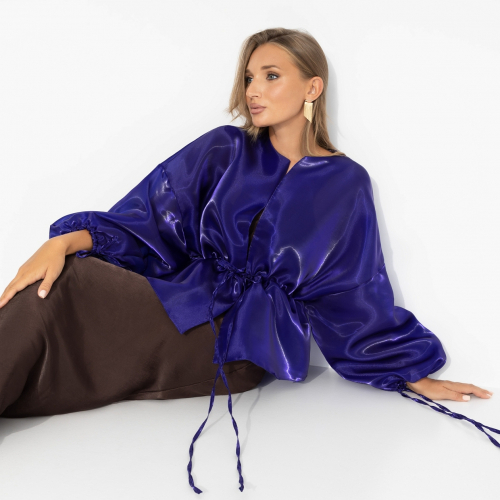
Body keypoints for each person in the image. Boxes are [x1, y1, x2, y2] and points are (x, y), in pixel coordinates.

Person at [0, 27, 498, 495]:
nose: (253, 90)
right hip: (182, 300)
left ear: (312, 87)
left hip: (240, 347)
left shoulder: (346, 183)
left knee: (68, 289)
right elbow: (150, 217)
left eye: (271, 76)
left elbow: (353, 289)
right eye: (249, 77)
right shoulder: (225, 148)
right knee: (64, 283)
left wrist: (410, 372)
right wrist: (64, 243)